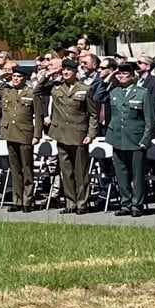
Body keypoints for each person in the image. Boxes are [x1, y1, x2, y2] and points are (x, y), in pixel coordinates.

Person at [102, 63, 154, 215]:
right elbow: (97, 95)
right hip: (117, 137)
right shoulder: (114, 91)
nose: (121, 77)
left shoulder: (142, 93)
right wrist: (108, 79)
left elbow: (149, 119)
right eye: (119, 74)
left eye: (125, 74)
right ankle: (125, 203)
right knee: (121, 173)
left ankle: (137, 205)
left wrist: (146, 139)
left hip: (136, 139)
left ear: (133, 76)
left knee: (137, 174)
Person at [46, 58, 97, 213]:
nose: (66, 73)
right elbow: (37, 90)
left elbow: (93, 114)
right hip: (61, 134)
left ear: (75, 72)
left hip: (79, 135)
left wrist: (91, 134)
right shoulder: (56, 89)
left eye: (69, 70)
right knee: (66, 171)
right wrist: (50, 73)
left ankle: (82, 203)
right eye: (64, 70)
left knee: (80, 171)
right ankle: (70, 202)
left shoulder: (85, 89)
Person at [0, 61, 42, 211]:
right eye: (13, 76)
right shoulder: (7, 91)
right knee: (15, 169)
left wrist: (37, 135)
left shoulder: (31, 93)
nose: (15, 79)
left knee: (27, 168)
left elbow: (38, 116)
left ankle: (27, 200)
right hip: (10, 133)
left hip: (25, 133)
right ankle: (17, 200)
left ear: (24, 78)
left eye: (18, 76)